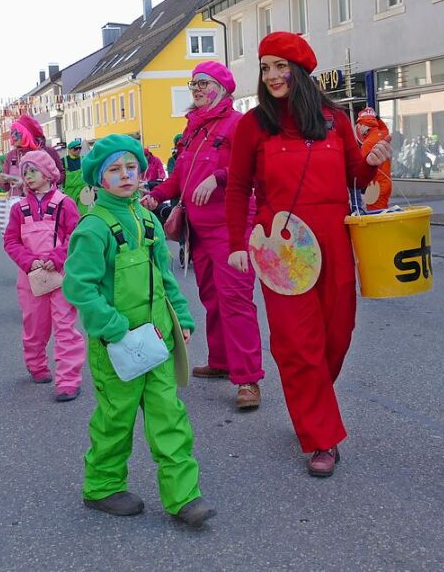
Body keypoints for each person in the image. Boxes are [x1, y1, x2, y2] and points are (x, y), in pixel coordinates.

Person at [225, 32, 390, 478]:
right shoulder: (253, 125)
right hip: (279, 247)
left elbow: (356, 176)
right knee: (298, 345)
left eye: (280, 66)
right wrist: (238, 245)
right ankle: (322, 437)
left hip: (334, 239)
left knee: (337, 334)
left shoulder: (335, 121)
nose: (272, 76)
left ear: (300, 71)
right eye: (265, 68)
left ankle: (309, 401)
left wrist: (373, 159)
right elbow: (239, 187)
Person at [62, 134, 215, 527]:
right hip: (117, 345)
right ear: (99, 179)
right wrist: (113, 329)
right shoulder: (93, 228)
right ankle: (102, 486)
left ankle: (184, 498)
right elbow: (79, 286)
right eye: (114, 169)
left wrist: (180, 318)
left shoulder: (148, 219)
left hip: (157, 339)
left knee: (170, 416)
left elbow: (164, 276)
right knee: (117, 418)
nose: (126, 175)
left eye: (130, 167)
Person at [143, 61, 264, 411]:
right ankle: (222, 360)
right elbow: (180, 178)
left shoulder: (239, 125)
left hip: (232, 227)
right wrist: (156, 195)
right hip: (198, 231)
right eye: (193, 83)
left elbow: (255, 168)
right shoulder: (194, 130)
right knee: (211, 297)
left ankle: (248, 379)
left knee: (236, 301)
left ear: (223, 89)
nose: (196, 89)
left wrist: (221, 177)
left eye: (204, 83)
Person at [3, 149, 84, 402]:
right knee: (34, 325)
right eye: (25, 172)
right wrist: (29, 262)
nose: (27, 176)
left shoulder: (64, 203)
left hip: (60, 275)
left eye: (33, 171)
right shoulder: (20, 208)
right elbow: (11, 240)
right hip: (31, 277)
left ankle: (68, 379)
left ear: (49, 175)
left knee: (64, 326)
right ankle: (36, 364)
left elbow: (75, 236)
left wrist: (57, 257)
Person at [0, 116, 64, 197]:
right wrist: (4, 181)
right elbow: (5, 187)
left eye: (17, 133)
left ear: (27, 134)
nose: (13, 137)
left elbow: (60, 176)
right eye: (12, 133)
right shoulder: (11, 155)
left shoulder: (47, 152)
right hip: (18, 204)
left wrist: (38, 182)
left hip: (44, 201)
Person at [354, 107, 393, 211]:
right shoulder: (383, 134)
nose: (359, 128)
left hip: (375, 185)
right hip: (386, 182)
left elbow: (362, 169)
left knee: (376, 216)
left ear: (365, 126)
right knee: (383, 212)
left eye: (360, 125)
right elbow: (384, 127)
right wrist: (375, 117)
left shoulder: (367, 143)